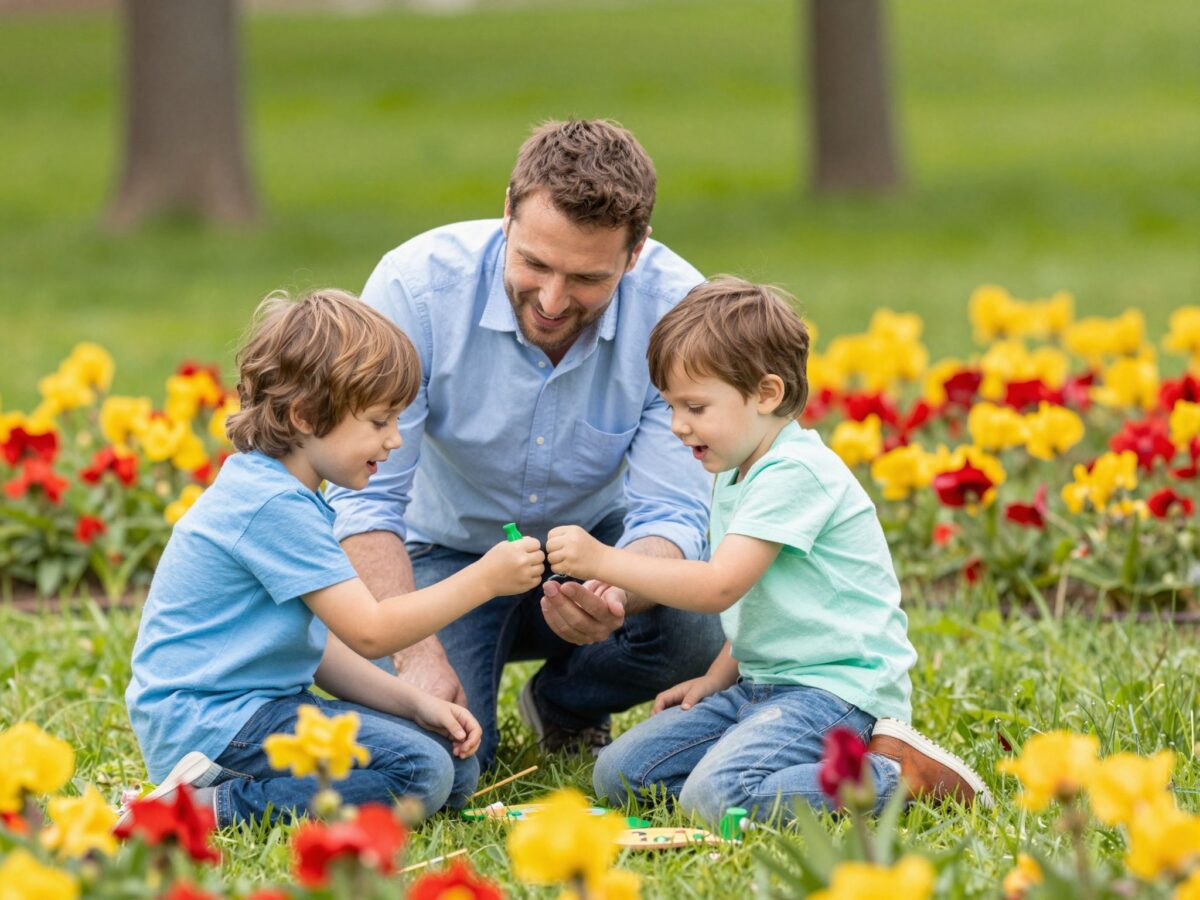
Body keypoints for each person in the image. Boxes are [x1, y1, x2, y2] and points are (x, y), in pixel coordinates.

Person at [327, 119, 727, 769]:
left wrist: (616, 591)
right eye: (535, 263)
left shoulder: (678, 309)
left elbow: (672, 514)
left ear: (635, 252)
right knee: (442, 759)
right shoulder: (415, 288)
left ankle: (567, 702)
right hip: (440, 558)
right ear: (507, 215)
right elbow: (366, 504)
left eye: (587, 278)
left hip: (595, 548)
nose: (551, 299)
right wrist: (416, 656)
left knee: (694, 631)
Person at [545, 277, 991, 823]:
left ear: (766, 394)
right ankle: (771, 772)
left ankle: (898, 777)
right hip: (761, 687)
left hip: (835, 693)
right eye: (670, 407)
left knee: (715, 799)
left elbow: (719, 587)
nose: (679, 425)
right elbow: (764, 602)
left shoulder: (795, 471)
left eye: (696, 406)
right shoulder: (735, 470)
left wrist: (602, 560)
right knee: (620, 774)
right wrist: (716, 677)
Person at [124, 290, 545, 828]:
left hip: (254, 710)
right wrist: (485, 579)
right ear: (304, 415)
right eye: (378, 421)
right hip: (211, 724)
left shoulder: (288, 493)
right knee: (421, 774)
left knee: (452, 772)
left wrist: (413, 704)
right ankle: (196, 811)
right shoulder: (272, 504)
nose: (394, 440)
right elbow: (370, 632)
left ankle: (249, 786)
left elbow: (317, 649)